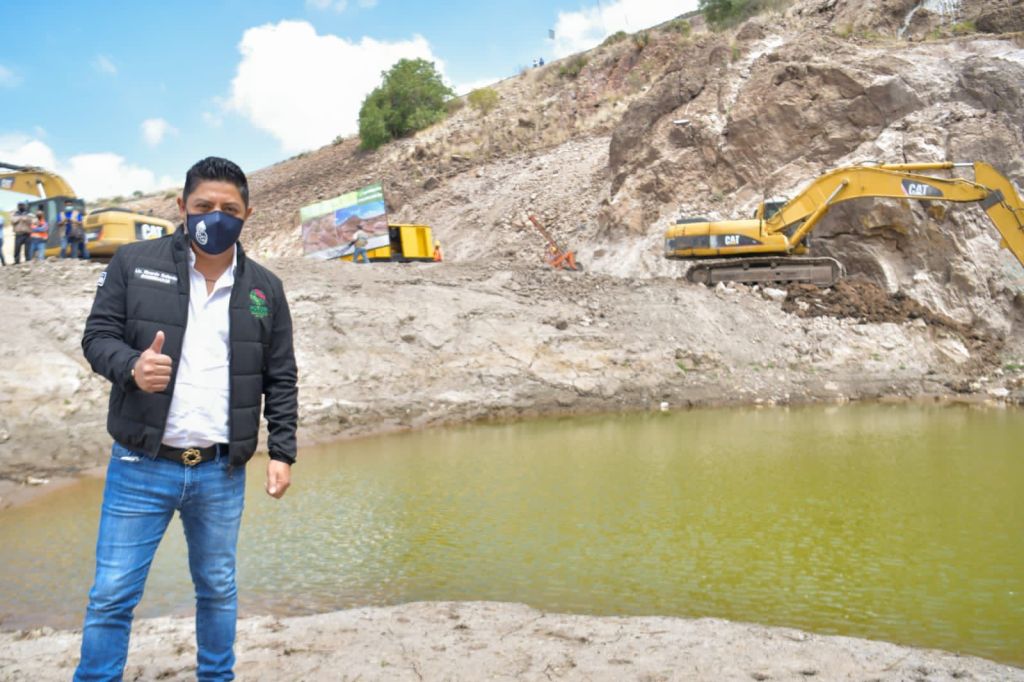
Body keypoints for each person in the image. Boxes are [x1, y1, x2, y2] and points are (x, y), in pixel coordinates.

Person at [75, 156, 298, 681]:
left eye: (229, 209)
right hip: (140, 464)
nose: (216, 217)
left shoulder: (265, 288)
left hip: (221, 470)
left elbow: (280, 375)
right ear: (182, 207)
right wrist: (132, 366)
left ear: (247, 214)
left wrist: (282, 451)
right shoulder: (133, 262)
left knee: (218, 589)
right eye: (204, 205)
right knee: (111, 594)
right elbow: (97, 337)